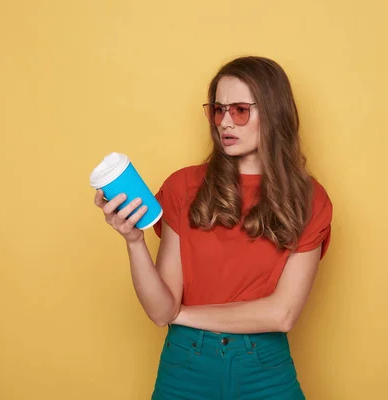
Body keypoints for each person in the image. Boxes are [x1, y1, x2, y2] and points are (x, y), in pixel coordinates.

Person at [94, 56, 333, 399]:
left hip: (265, 371)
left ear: (274, 112)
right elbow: (161, 311)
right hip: (184, 369)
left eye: (239, 110)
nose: (225, 123)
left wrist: (184, 314)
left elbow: (282, 314)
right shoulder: (183, 187)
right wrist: (134, 241)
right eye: (218, 110)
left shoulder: (310, 199)